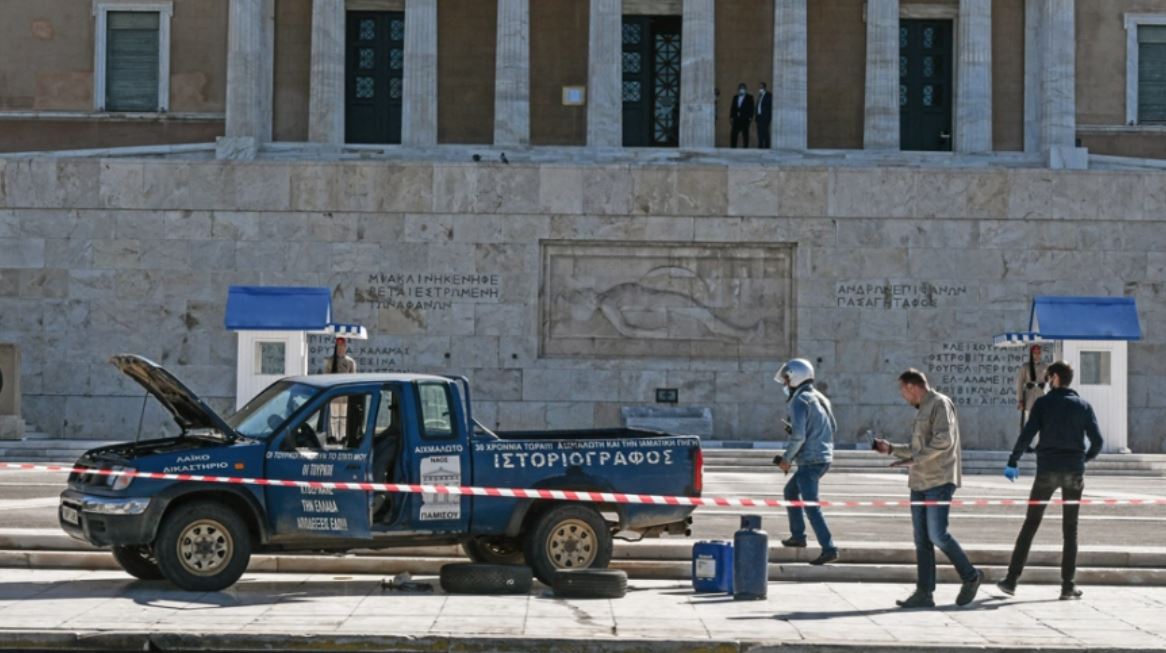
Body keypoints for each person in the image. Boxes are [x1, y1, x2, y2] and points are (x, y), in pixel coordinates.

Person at [873, 369, 983, 609]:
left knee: (937, 535)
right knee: (922, 539)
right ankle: (925, 591)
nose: (903, 396)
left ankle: (971, 576)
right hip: (920, 482)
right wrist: (890, 449)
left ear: (913, 387)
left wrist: (916, 459)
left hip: (939, 480)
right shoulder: (922, 408)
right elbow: (918, 449)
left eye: (903, 390)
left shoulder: (940, 403)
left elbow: (944, 440)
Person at [998, 361, 1103, 601]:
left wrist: (1013, 460)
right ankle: (1068, 586)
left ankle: (1011, 581)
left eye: (1048, 376)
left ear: (1055, 378)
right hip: (1073, 474)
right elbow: (1097, 441)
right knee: (1070, 530)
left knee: (1031, 524)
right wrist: (1082, 460)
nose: (1045, 379)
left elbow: (1027, 434)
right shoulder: (1084, 406)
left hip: (1046, 471)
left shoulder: (1043, 403)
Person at [772, 358, 838, 565]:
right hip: (823, 457)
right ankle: (798, 536)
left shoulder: (799, 401)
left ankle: (829, 548)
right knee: (790, 491)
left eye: (786, 379)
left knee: (811, 505)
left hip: (810, 460)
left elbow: (799, 437)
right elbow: (832, 427)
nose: (784, 384)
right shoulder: (820, 398)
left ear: (795, 377)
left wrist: (786, 458)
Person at [1016, 344, 1048, 438]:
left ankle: (1041, 443)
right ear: (1031, 354)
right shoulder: (1025, 367)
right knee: (1029, 422)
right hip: (1029, 398)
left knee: (1042, 421)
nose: (1037, 355)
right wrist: (1020, 400)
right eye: (1035, 353)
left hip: (1041, 396)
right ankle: (1027, 444)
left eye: (1038, 353)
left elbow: (1049, 381)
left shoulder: (1045, 366)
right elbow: (1019, 383)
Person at [729, 82, 754, 148]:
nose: (741, 89)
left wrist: (750, 117)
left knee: (745, 134)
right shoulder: (735, 97)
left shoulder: (750, 97)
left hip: (745, 118)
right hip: (736, 118)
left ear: (745, 89)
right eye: (740, 88)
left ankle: (745, 147)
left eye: (743, 88)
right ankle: (733, 147)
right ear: (738, 89)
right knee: (734, 133)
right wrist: (731, 117)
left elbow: (751, 108)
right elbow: (732, 108)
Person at [755, 82, 773, 149]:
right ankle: (760, 147)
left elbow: (769, 107)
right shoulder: (760, 95)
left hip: (765, 117)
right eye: (760, 87)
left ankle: (767, 147)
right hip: (759, 117)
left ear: (765, 88)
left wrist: (768, 117)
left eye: (761, 87)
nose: (760, 88)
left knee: (765, 133)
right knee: (759, 133)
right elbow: (758, 106)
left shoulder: (768, 95)